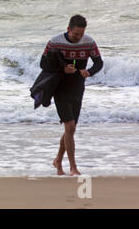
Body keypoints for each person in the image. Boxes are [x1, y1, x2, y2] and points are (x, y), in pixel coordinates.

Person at [40, 15, 103, 175]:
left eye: (81, 34)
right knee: (69, 126)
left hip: (77, 88)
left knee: (71, 129)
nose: (78, 37)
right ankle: (73, 167)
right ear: (68, 29)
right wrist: (62, 69)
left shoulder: (88, 42)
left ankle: (57, 160)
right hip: (59, 87)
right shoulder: (55, 41)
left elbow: (99, 62)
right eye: (75, 34)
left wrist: (89, 72)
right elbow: (43, 63)